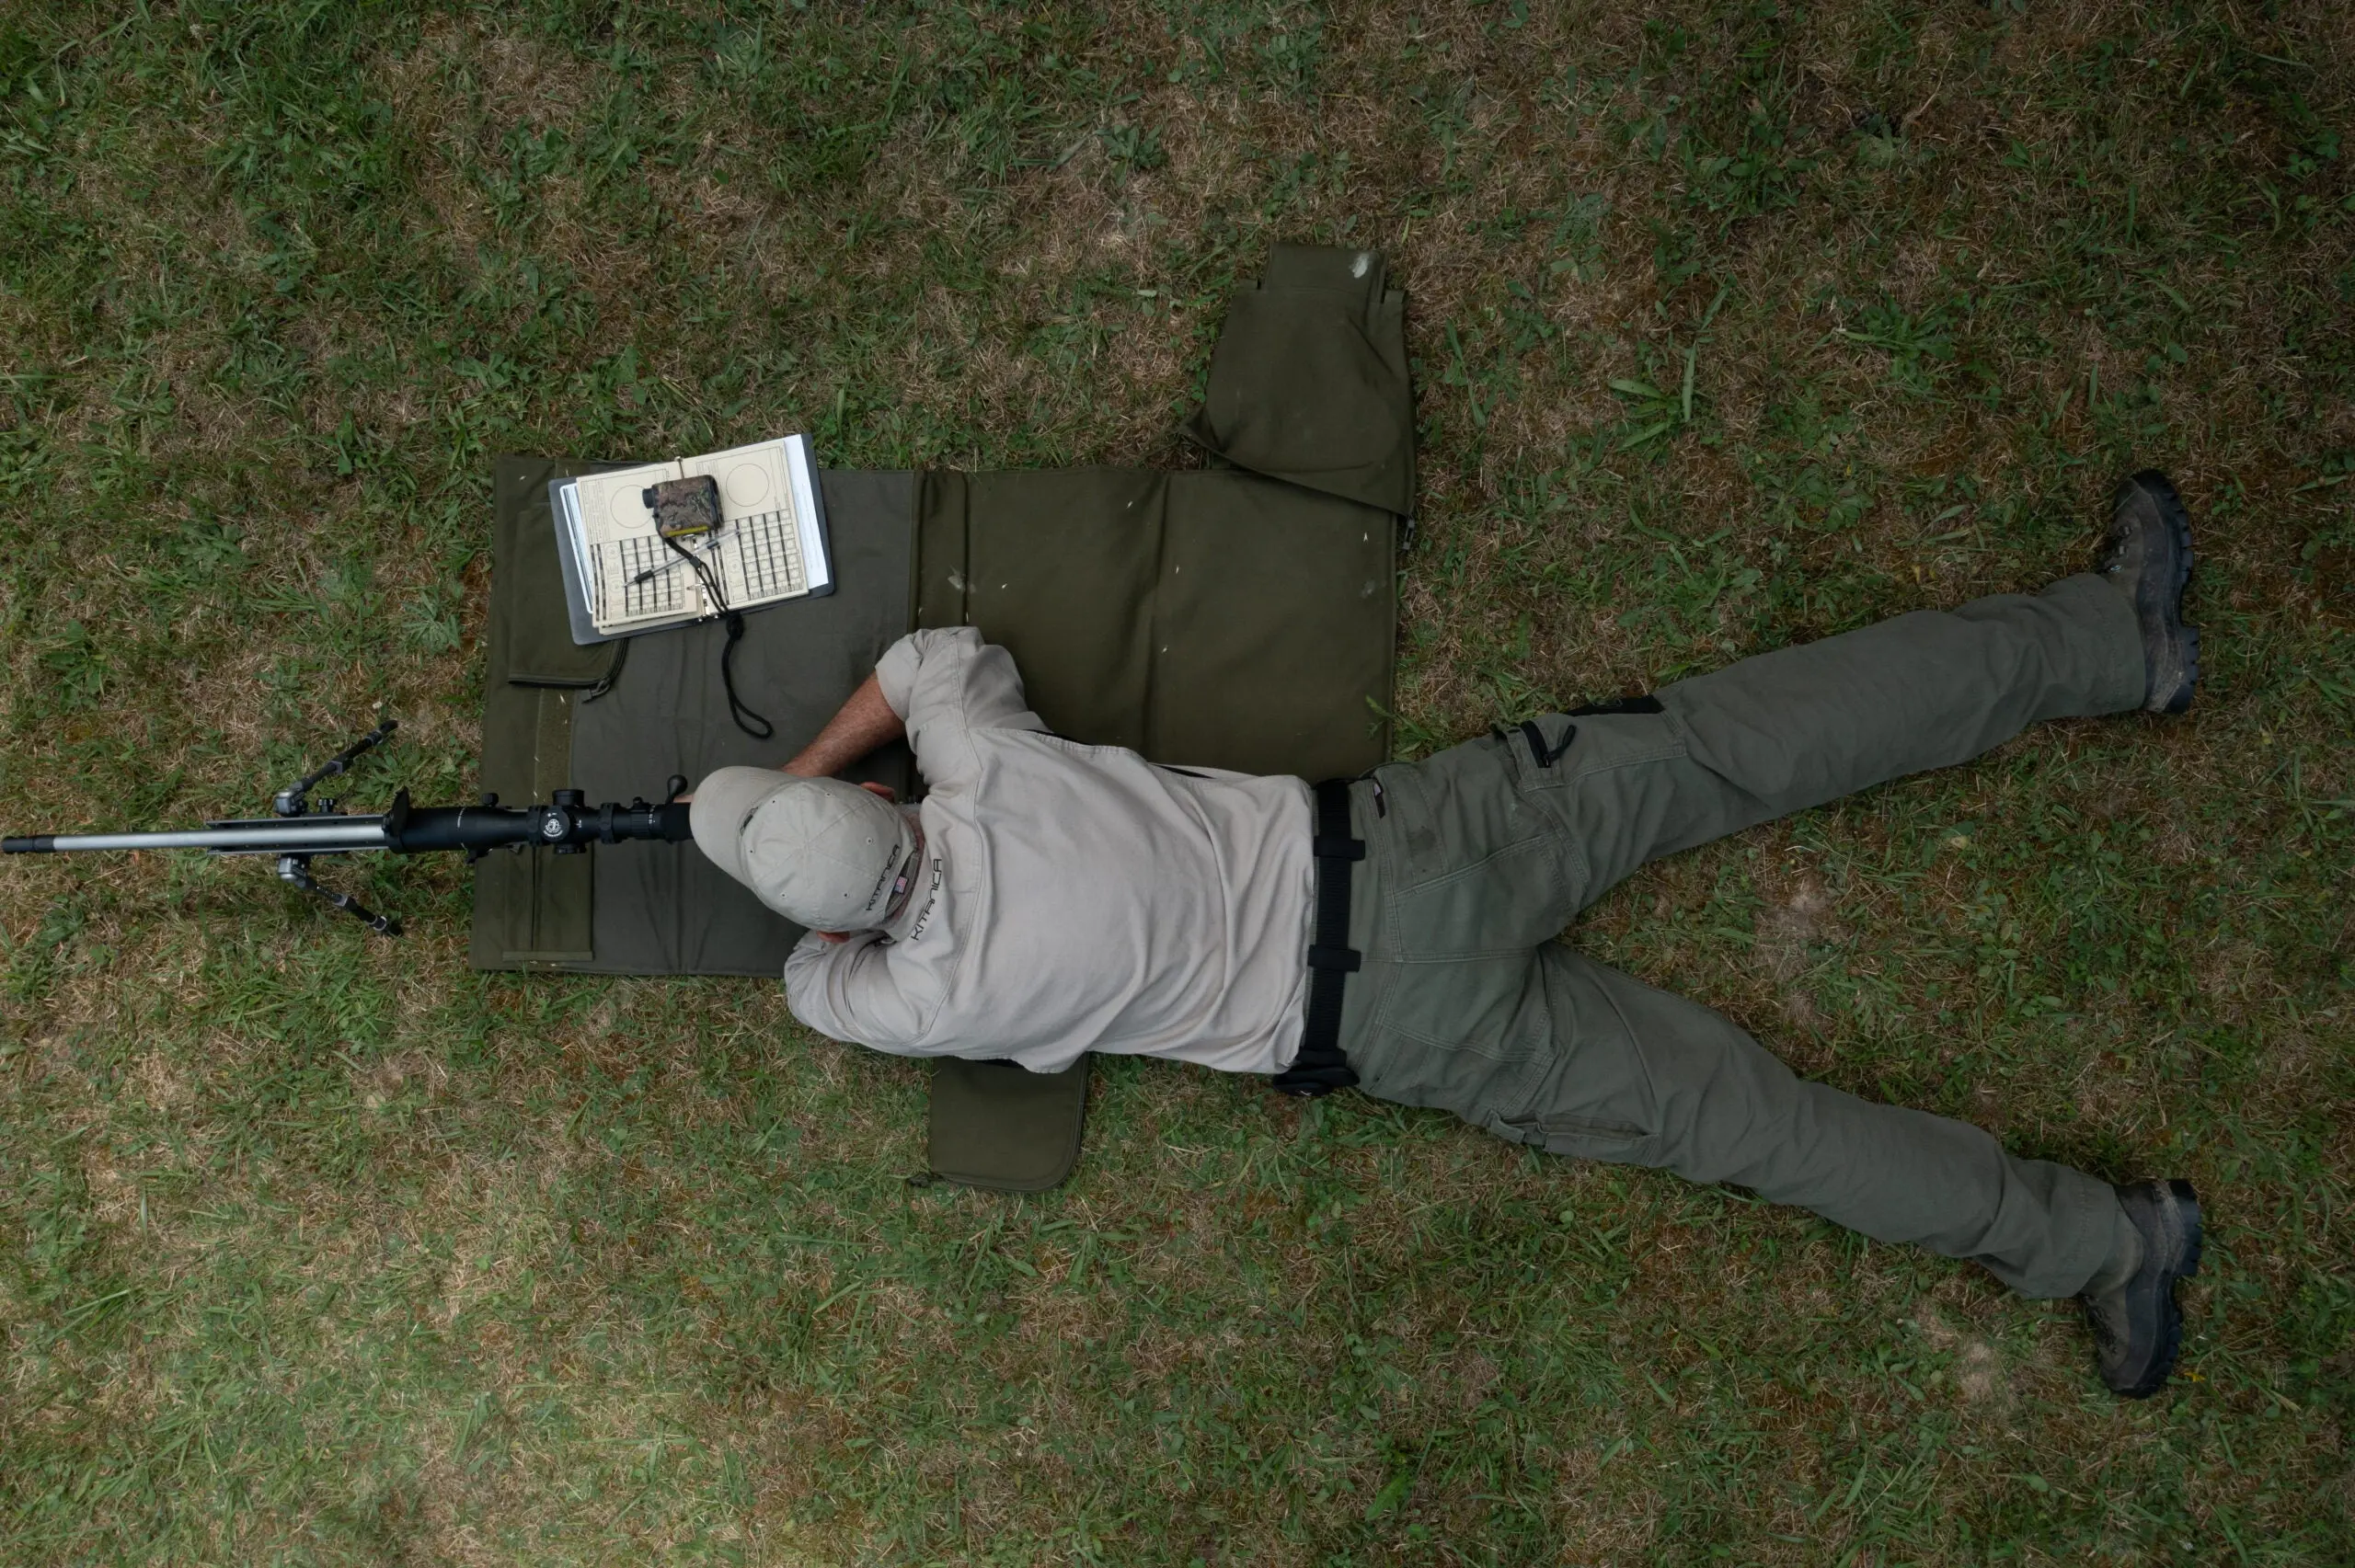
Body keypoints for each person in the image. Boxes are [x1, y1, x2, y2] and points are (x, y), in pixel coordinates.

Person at [688, 471, 2207, 1400]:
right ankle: (2109, 639)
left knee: (1749, 1125)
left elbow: (814, 989)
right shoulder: (989, 764)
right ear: (893, 800)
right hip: (1427, 840)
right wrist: (818, 778)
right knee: (1743, 741)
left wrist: (815, 871)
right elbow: (930, 656)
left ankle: (2106, 1248)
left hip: (1404, 1036)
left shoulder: (922, 1001)